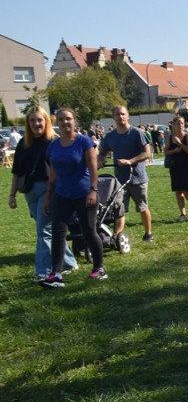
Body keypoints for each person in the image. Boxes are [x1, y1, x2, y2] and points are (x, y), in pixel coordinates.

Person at [8, 107, 78, 280]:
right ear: (28, 123)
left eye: (40, 120)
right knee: (49, 230)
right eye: (32, 120)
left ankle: (45, 272)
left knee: (43, 231)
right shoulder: (24, 143)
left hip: (49, 190)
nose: (36, 124)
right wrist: (12, 195)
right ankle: (69, 262)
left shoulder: (54, 141)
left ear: (47, 121)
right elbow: (16, 171)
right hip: (29, 191)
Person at [40, 108, 106, 288]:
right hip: (61, 194)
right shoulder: (53, 146)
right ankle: (56, 274)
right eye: (61, 119)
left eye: (68, 119)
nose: (65, 122)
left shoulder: (84, 142)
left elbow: (93, 169)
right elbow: (52, 175)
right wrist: (48, 197)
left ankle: (99, 268)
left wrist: (93, 190)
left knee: (88, 231)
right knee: (58, 233)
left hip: (84, 194)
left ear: (74, 120)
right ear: (56, 122)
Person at [99, 106, 154, 243]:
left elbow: (147, 152)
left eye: (123, 114)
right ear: (113, 117)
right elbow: (102, 152)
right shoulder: (110, 137)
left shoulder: (136, 133)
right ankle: (117, 236)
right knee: (118, 209)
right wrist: (100, 160)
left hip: (137, 177)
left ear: (128, 116)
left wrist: (130, 161)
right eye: (118, 114)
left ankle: (148, 234)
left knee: (142, 207)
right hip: (119, 180)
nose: (121, 117)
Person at [164, 116, 188, 221]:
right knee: (178, 191)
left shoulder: (187, 136)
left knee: (186, 190)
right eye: (177, 123)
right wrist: (174, 151)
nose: (180, 125)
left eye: (182, 123)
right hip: (174, 167)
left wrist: (180, 144)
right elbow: (165, 152)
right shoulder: (169, 138)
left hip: (185, 166)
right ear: (173, 125)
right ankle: (183, 214)